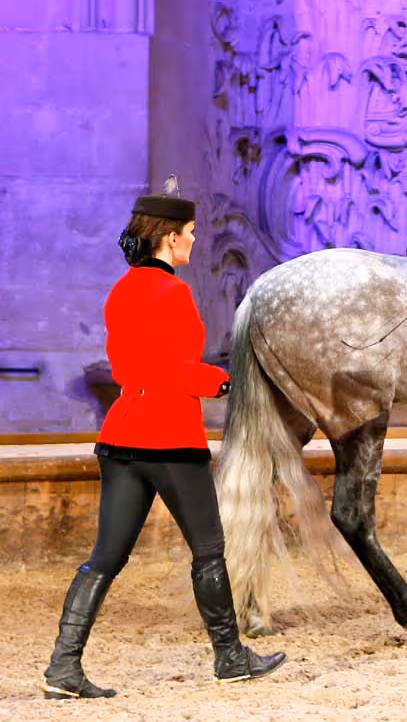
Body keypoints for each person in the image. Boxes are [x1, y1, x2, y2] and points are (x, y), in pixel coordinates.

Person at [41, 188, 286, 699]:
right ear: (169, 238)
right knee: (209, 551)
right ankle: (230, 657)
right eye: (190, 234)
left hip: (121, 434)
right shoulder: (172, 293)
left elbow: (131, 367)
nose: (194, 241)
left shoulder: (120, 290)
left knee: (104, 558)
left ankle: (63, 666)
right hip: (169, 438)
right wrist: (223, 381)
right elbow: (175, 370)